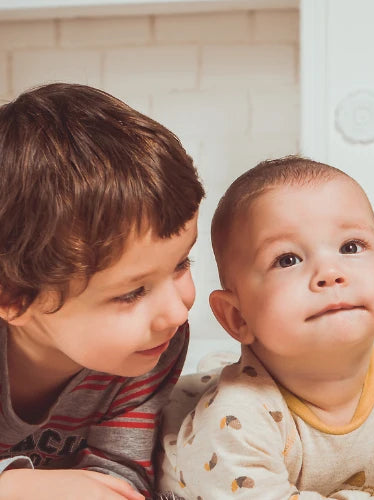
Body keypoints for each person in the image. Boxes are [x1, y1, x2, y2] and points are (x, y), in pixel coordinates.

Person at [160, 156, 374, 499]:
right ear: (238, 317)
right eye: (287, 259)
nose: (330, 271)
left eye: (351, 247)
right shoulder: (233, 422)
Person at [0, 83, 204, 500]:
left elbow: (121, 473)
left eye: (182, 263)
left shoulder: (149, 349)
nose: (176, 314)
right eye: (132, 293)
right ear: (14, 297)